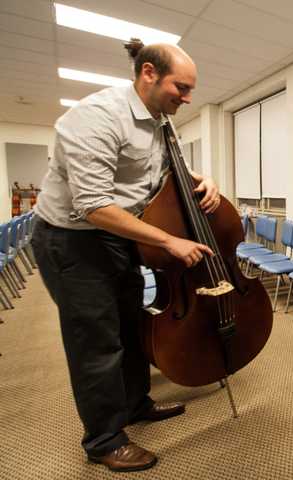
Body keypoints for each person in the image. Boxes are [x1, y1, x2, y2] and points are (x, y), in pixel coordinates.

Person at [31, 41, 220, 472]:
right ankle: (104, 440)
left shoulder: (159, 120)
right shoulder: (95, 118)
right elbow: (93, 205)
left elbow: (160, 169)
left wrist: (201, 179)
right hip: (72, 240)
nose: (188, 99)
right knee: (96, 341)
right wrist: (169, 241)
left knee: (131, 325)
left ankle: (135, 403)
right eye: (182, 88)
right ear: (149, 73)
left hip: (119, 237)